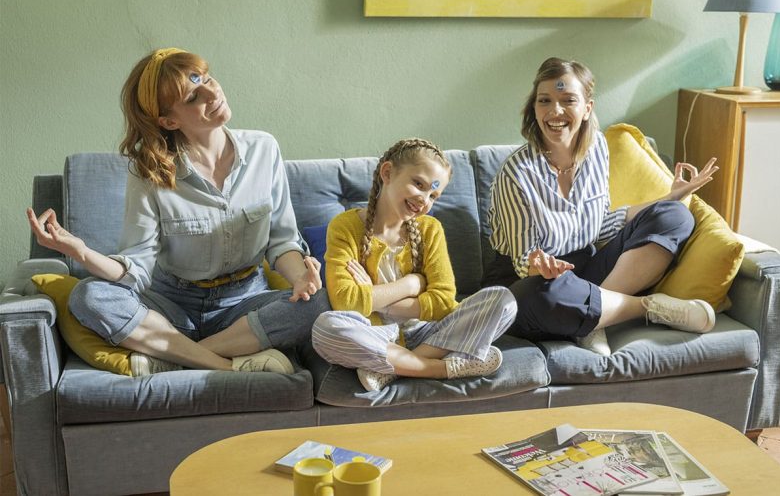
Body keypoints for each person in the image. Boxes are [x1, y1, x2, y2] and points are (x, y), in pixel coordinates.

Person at [27, 48, 330, 376]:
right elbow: (136, 268)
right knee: (88, 296)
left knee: (320, 303)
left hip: (245, 306)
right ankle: (227, 365)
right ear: (169, 120)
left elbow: (282, 241)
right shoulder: (149, 172)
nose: (212, 93)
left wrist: (302, 279)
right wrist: (82, 252)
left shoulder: (264, 148)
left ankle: (174, 357)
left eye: (207, 79)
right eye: (192, 96)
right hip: (171, 308)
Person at [484, 57, 719, 356]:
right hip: (531, 280)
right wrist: (540, 265)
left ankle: (595, 319)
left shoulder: (598, 149)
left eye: (568, 99)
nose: (555, 111)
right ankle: (646, 308)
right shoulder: (515, 174)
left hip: (586, 270)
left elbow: (601, 226)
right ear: (535, 108)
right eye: (545, 101)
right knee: (535, 297)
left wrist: (671, 197)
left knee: (675, 216)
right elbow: (522, 260)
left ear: (587, 109)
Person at [312, 138, 517, 392]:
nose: (424, 200)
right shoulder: (345, 226)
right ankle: (438, 368)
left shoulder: (431, 230)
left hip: (428, 334)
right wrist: (412, 284)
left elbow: (443, 302)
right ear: (387, 173)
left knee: (504, 300)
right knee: (326, 328)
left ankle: (396, 368)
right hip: (375, 334)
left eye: (433, 195)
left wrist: (375, 296)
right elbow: (345, 301)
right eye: (418, 184)